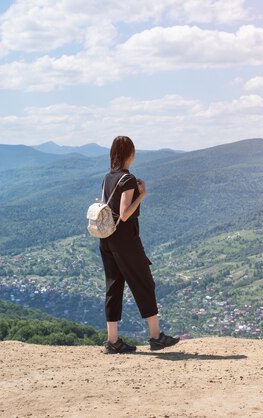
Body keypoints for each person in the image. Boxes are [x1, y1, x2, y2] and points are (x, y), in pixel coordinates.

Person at [98, 135, 180, 354]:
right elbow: (125, 214)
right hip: (126, 240)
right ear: (130, 154)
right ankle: (156, 337)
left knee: (113, 287)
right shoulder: (127, 179)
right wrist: (141, 195)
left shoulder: (108, 177)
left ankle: (112, 341)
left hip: (106, 238)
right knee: (144, 283)